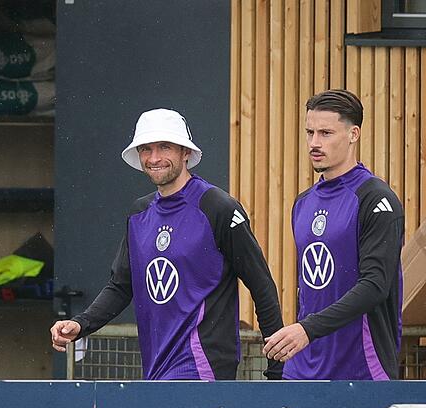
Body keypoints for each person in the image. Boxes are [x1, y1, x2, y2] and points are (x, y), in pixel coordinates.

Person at [50, 108, 284, 380]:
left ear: (185, 152)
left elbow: (261, 284)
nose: (154, 158)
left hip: (203, 367)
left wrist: (277, 367)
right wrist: (81, 324)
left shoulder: (217, 207)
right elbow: (121, 286)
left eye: (164, 147)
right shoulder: (139, 213)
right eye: (146, 149)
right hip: (156, 367)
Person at [262, 89, 404, 380]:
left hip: (360, 370)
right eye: (309, 132)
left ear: (353, 134)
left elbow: (375, 286)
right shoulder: (303, 203)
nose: (314, 143)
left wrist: (307, 329)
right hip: (302, 370)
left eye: (326, 133)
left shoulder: (376, 199)